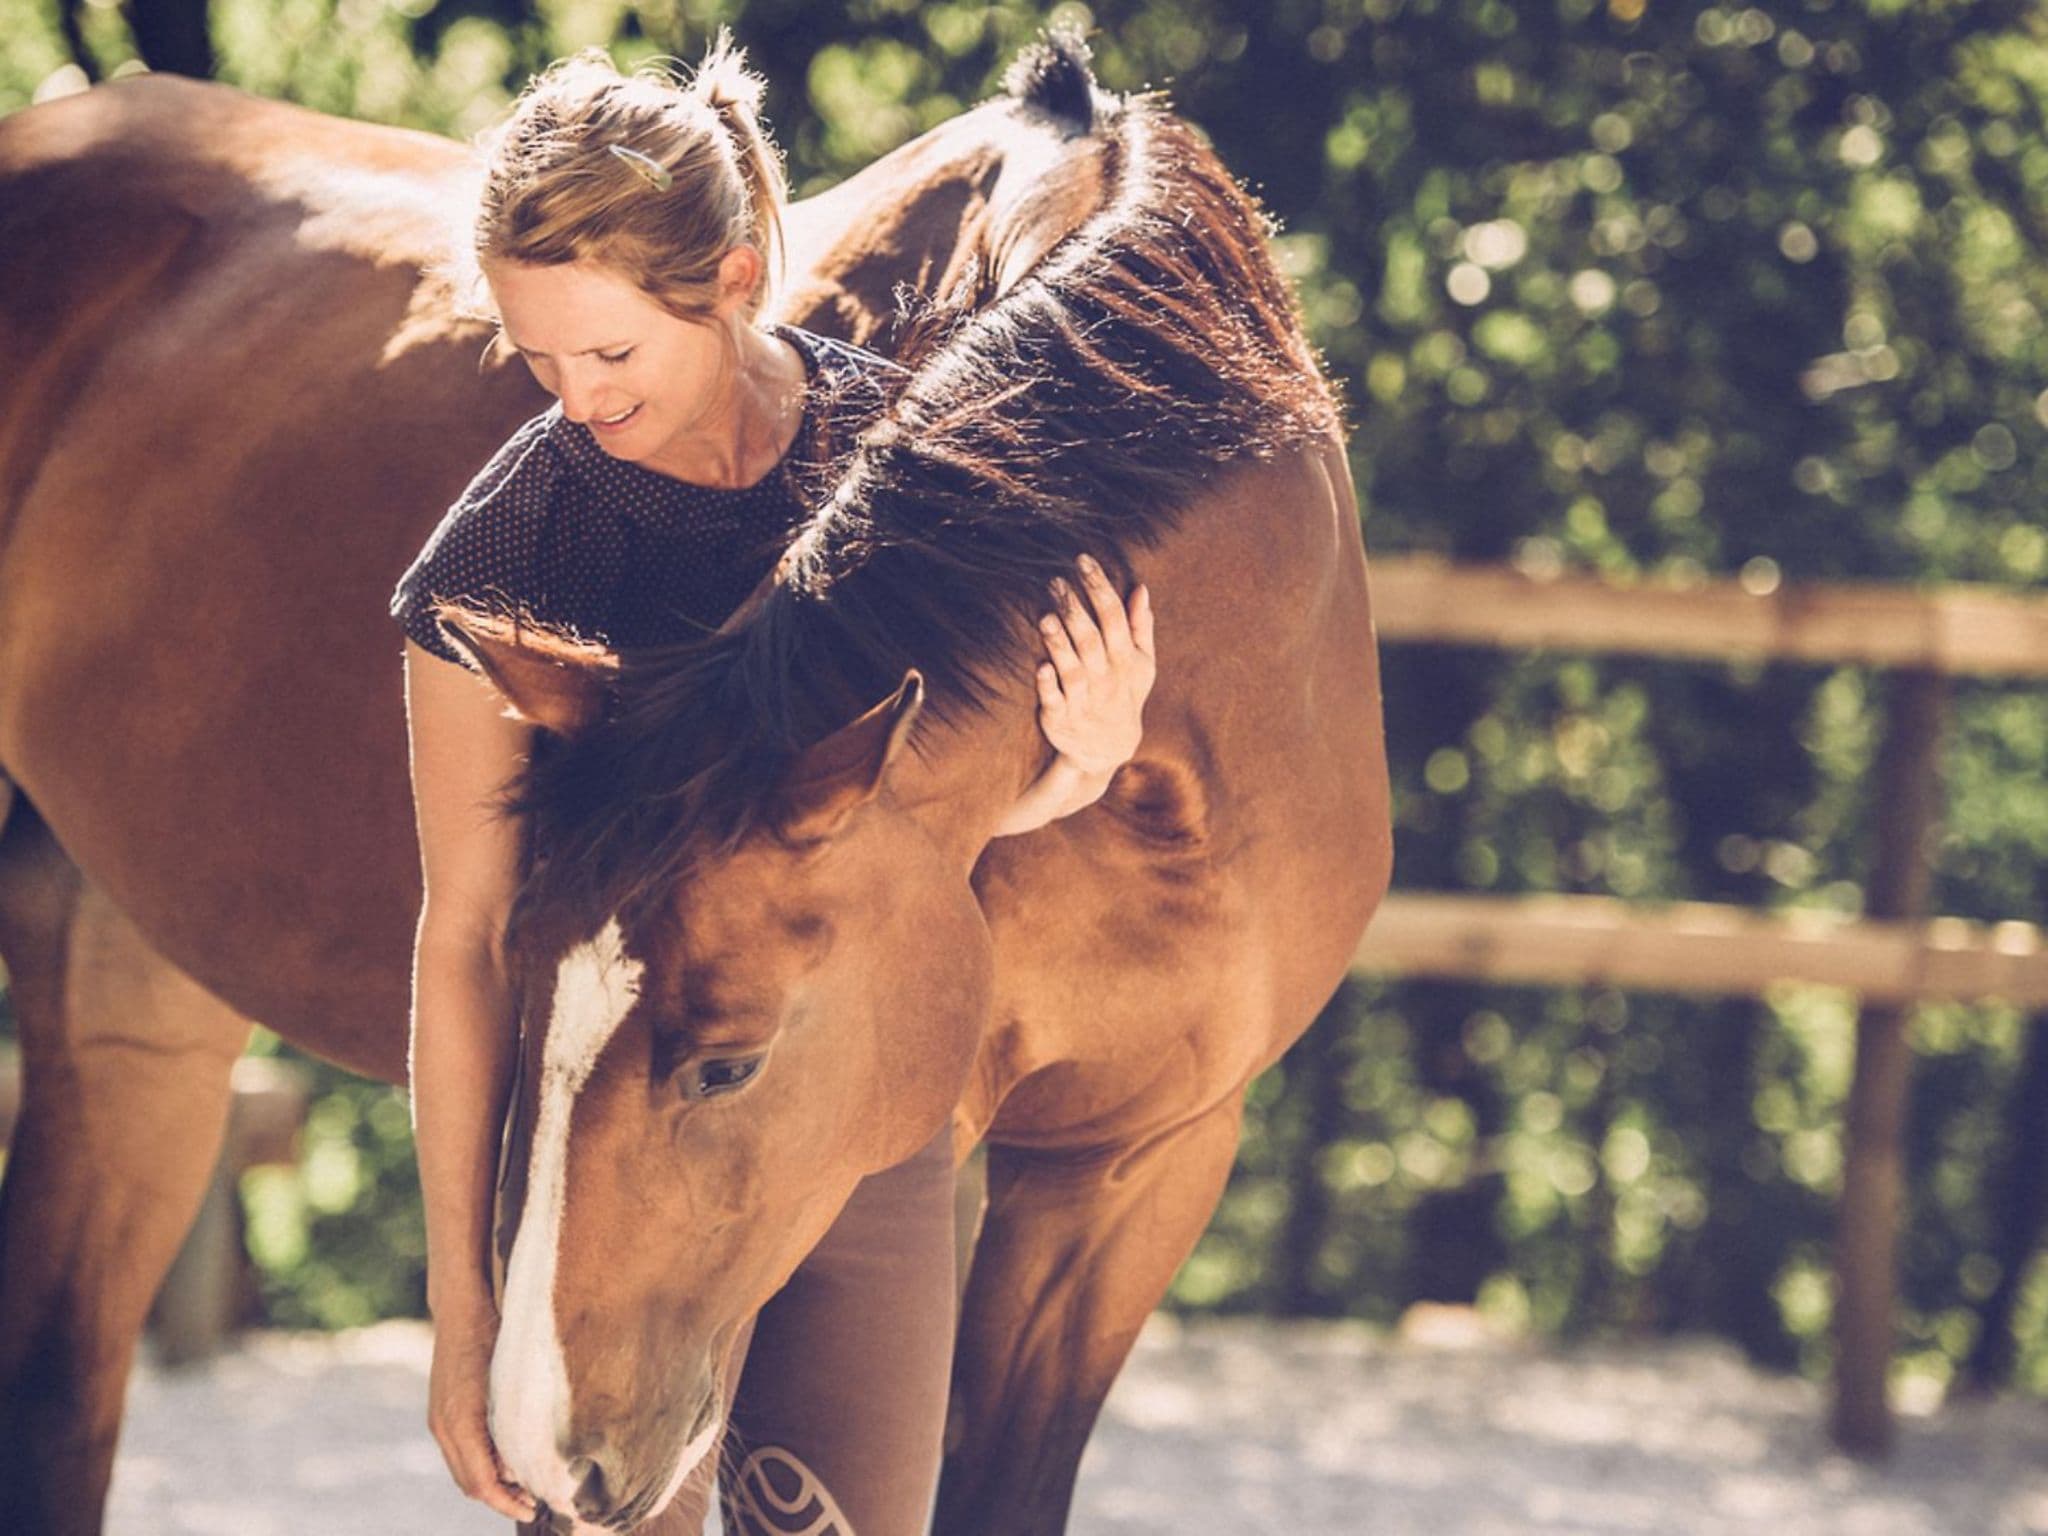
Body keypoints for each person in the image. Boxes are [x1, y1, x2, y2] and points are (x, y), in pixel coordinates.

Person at [388, 32, 1156, 1535]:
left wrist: (1085, 758)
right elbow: (465, 936)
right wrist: (465, 1308)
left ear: (736, 280)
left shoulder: (908, 476)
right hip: (620, 1156)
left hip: (854, 1127)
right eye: (537, 358)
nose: (575, 396)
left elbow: (891, 836)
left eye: (610, 353)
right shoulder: (505, 555)